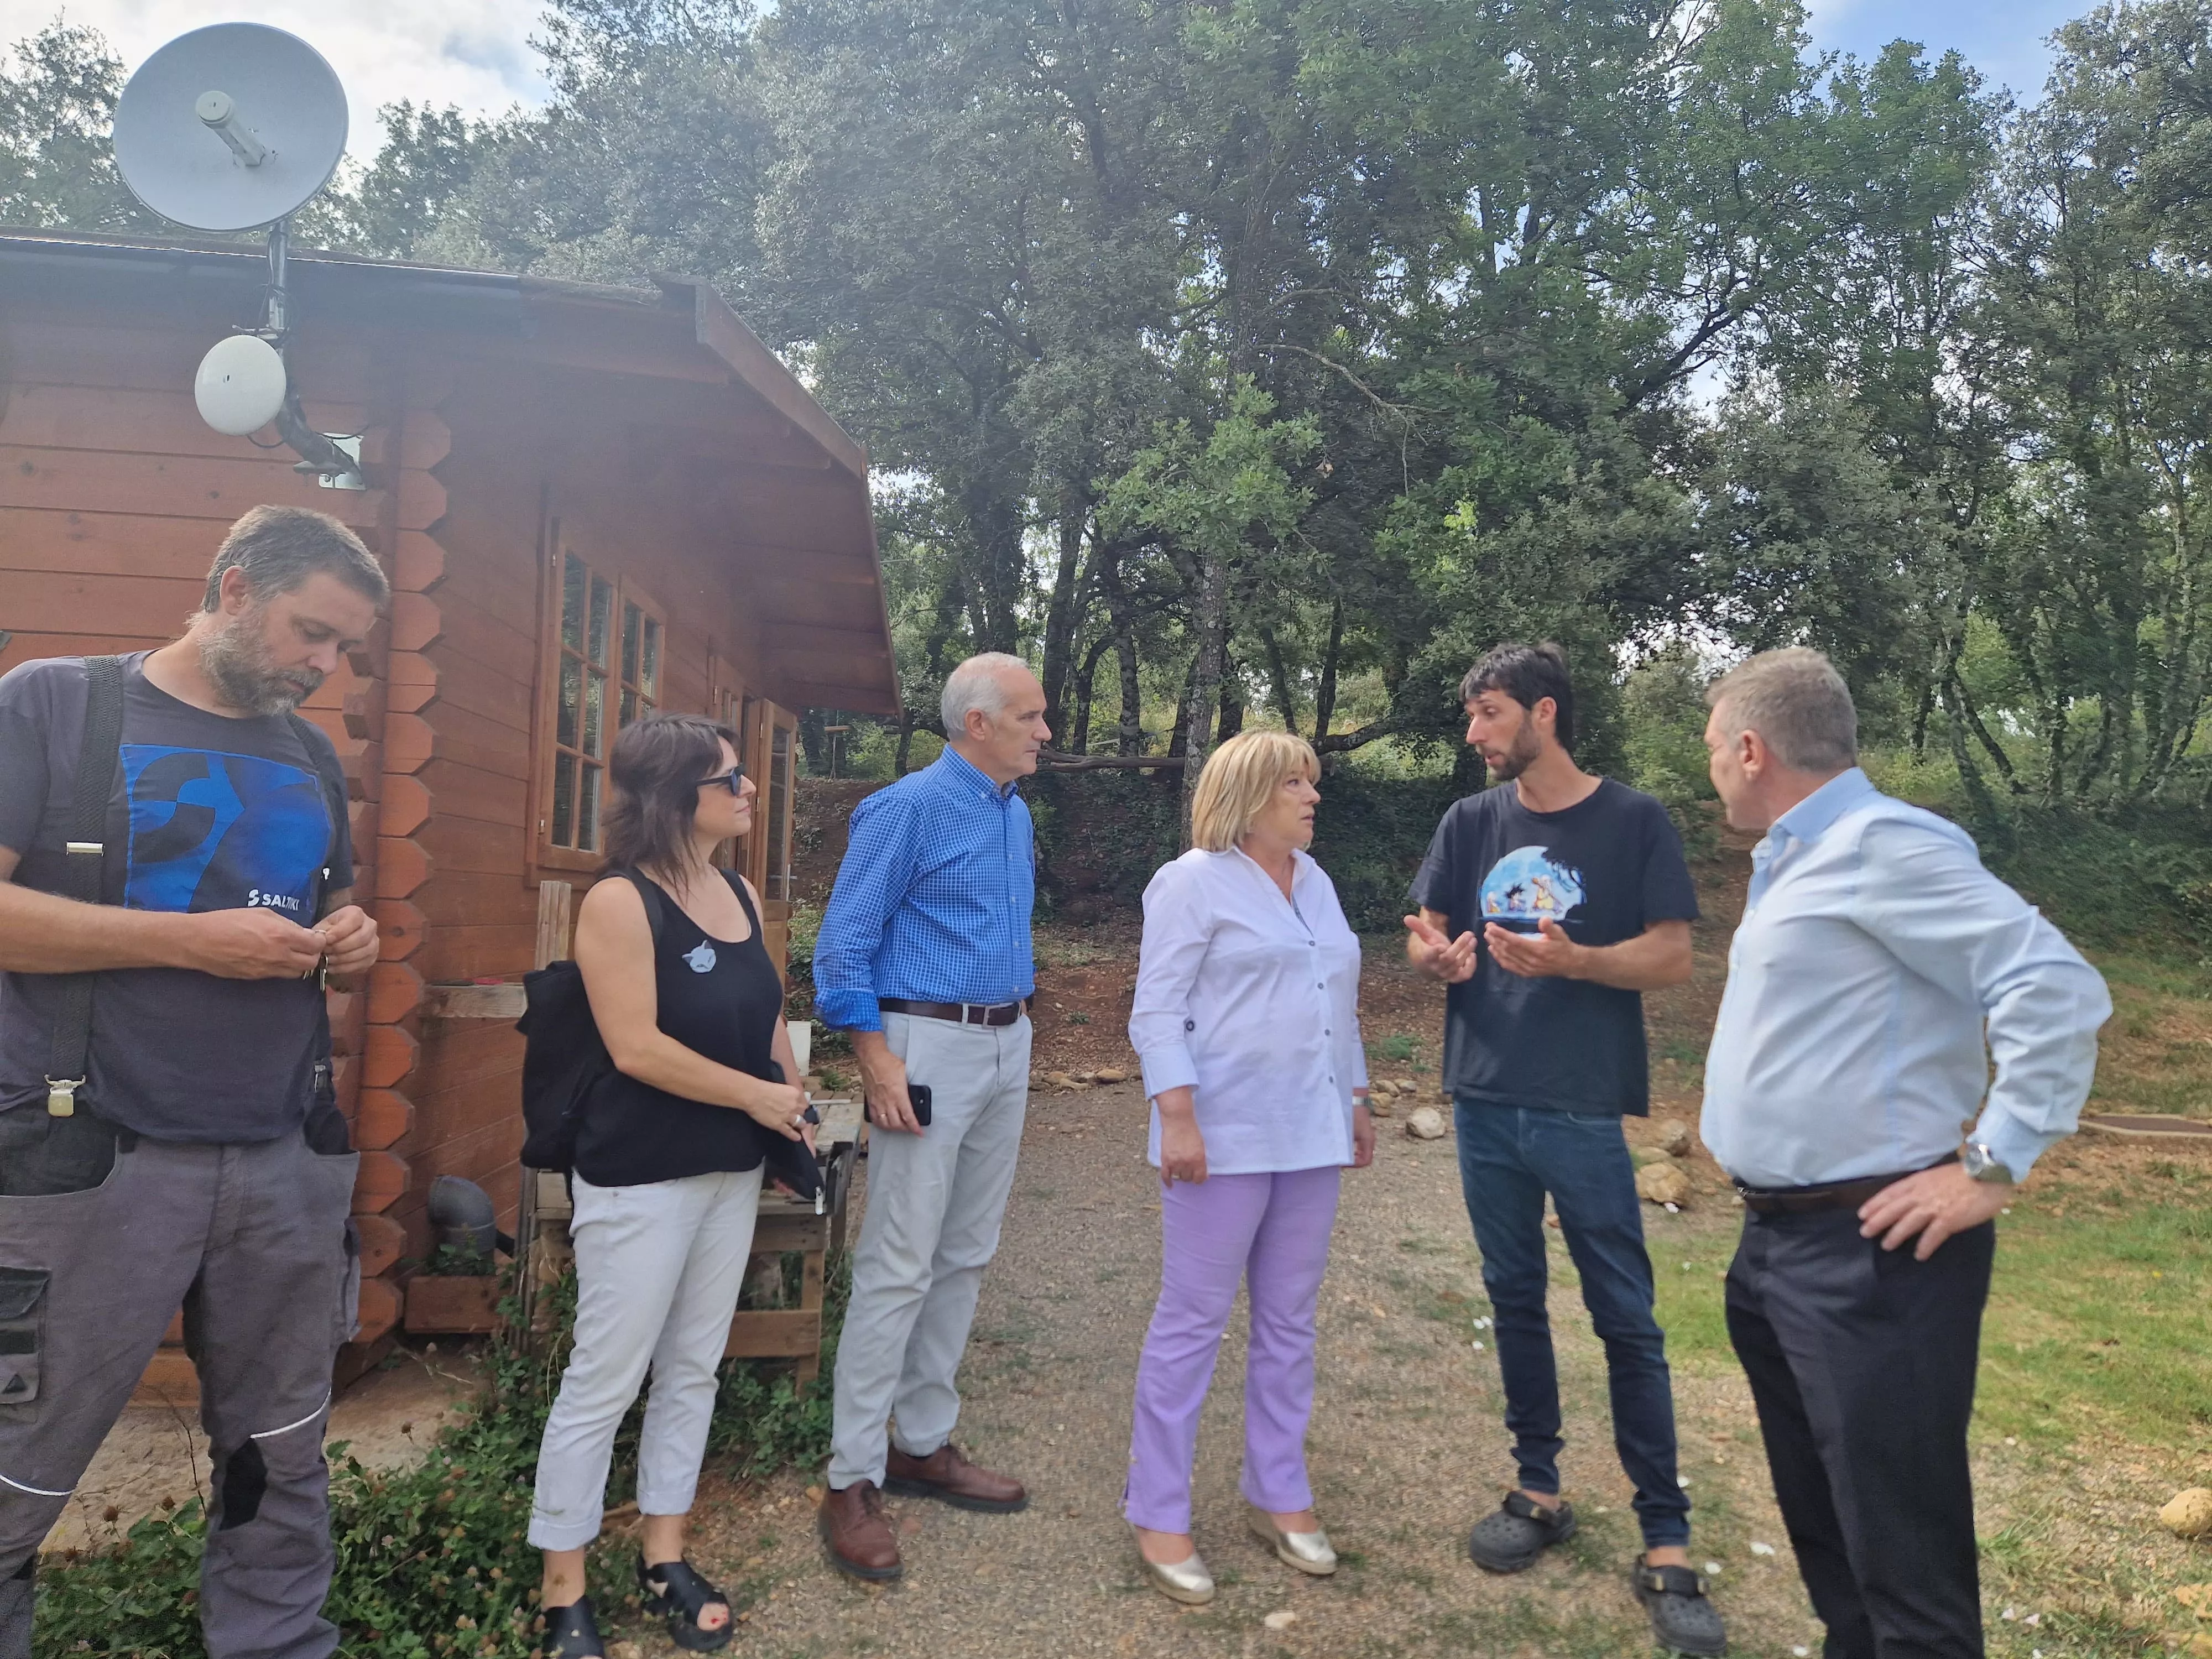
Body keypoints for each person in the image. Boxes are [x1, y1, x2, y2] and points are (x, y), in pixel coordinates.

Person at [0, 505, 385, 1659]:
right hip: (89, 1160)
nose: (325, 669)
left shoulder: (309, 753)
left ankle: (273, 1643)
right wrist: (186, 942)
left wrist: (350, 938)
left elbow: (317, 915)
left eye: (344, 650)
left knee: (281, 1453)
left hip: (282, 1156)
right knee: (18, 1465)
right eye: (311, 634)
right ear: (230, 590)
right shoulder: (55, 705)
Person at [1699, 648, 2108, 1659]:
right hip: (1778, 1245)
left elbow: (2052, 987)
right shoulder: (1799, 856)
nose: (1710, 769)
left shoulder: (1886, 845)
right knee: (1834, 1537)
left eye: (1713, 750)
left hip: (1871, 1253)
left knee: (1903, 1558)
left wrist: (1994, 1166)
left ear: (1752, 750)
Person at [1404, 641, 1725, 1658]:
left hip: (1582, 1106)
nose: (1474, 733)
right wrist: (1438, 956)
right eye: (1471, 715)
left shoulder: (1632, 822)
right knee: (1514, 1299)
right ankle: (1538, 1489)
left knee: (1625, 1320)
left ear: (1544, 712)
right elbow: (1423, 929)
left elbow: (1672, 955)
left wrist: (1578, 958)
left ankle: (1666, 1545)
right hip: (1484, 1098)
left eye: (1489, 713)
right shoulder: (1469, 821)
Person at [529, 713, 814, 1658]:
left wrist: (792, 1089)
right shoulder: (619, 900)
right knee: (604, 1381)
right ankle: (562, 1588)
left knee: (693, 1367)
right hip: (641, 1176)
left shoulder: (731, 886)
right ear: (673, 797)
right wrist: (761, 1099)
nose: (749, 793)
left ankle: (665, 1552)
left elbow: (760, 1009)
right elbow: (637, 1047)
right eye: (731, 781)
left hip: (728, 1171)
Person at [1122, 731, 1376, 1606]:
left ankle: (1279, 1492)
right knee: (1191, 1324)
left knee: (1290, 1322)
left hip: (1312, 1134)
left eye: (1314, 782)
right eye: (1295, 784)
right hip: (1220, 1138)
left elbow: (1336, 1004)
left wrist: (1358, 1097)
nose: (1313, 796)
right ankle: (1159, 1511)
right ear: (1248, 793)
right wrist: (1178, 1116)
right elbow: (1156, 1009)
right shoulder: (1192, 881)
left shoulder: (1318, 883)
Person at [810, 653, 1047, 1580]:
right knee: (899, 1261)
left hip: (1006, 1040)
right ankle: (851, 1475)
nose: (1045, 731)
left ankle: (923, 1439)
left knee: (967, 1249)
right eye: (1029, 717)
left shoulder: (1011, 809)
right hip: (924, 1046)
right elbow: (843, 946)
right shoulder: (905, 808)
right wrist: (876, 1063)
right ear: (977, 724)